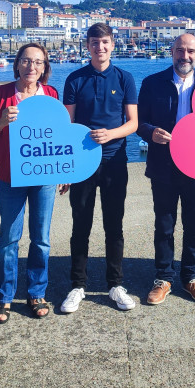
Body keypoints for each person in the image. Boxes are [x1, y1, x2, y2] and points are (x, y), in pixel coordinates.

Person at [60, 23, 139, 314]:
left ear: (112, 44)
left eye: (104, 42)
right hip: (81, 162)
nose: (100, 47)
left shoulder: (125, 78)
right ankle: (77, 285)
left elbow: (133, 122)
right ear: (87, 45)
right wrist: (65, 169)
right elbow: (67, 126)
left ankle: (115, 284)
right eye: (94, 42)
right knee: (80, 224)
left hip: (114, 160)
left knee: (113, 224)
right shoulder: (75, 79)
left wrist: (111, 134)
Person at [0, 43, 60, 323]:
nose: (32, 67)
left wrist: (62, 171)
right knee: (9, 239)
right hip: (11, 178)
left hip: (44, 178)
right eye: (26, 61)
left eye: (38, 62)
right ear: (17, 64)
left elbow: (57, 137)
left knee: (41, 240)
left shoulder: (51, 94)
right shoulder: (0, 95)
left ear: (44, 67)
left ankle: (37, 292)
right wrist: (1, 122)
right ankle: (3, 296)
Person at [137, 33, 195, 304]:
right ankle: (164, 278)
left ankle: (192, 276)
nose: (185, 56)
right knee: (164, 224)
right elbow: (138, 121)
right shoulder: (152, 83)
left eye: (191, 51)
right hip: (163, 164)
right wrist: (150, 133)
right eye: (180, 50)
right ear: (172, 52)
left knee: (194, 225)